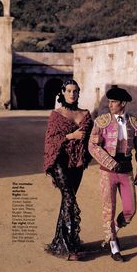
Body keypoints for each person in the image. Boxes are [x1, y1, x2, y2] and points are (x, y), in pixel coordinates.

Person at [88, 86, 137, 262]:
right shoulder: (101, 121)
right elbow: (92, 146)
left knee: (130, 209)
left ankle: (113, 228)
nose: (110, 105)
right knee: (109, 209)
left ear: (123, 103)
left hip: (126, 170)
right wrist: (110, 163)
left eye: (114, 102)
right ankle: (114, 246)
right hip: (108, 172)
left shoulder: (134, 122)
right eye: (110, 101)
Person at [43, 79, 93, 261]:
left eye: (75, 91)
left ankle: (60, 242)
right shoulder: (55, 115)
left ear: (79, 93)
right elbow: (50, 142)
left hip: (77, 163)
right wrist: (71, 135)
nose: (72, 94)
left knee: (67, 200)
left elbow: (93, 139)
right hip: (59, 162)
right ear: (63, 92)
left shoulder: (86, 114)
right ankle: (70, 248)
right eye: (69, 91)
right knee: (69, 198)